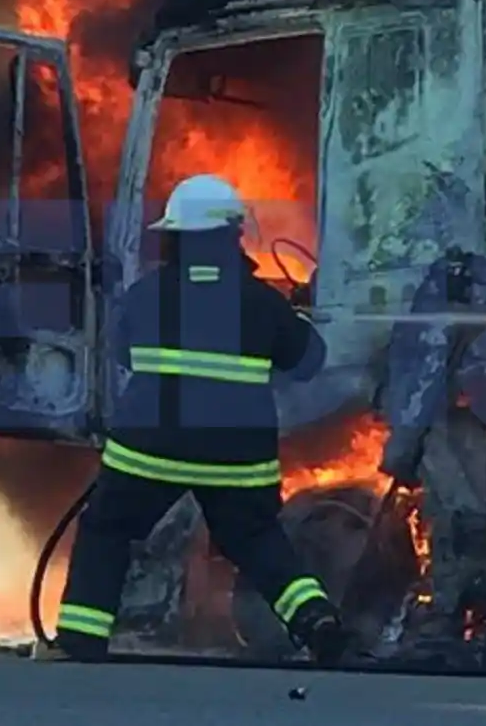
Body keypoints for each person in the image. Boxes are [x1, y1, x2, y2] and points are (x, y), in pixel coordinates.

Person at [50, 174, 346, 664]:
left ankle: (81, 638)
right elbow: (308, 364)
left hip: (149, 450)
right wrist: (300, 321)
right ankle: (316, 621)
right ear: (234, 236)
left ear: (176, 238)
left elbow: (123, 354)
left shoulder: (144, 295)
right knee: (255, 540)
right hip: (237, 459)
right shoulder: (263, 302)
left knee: (107, 528)